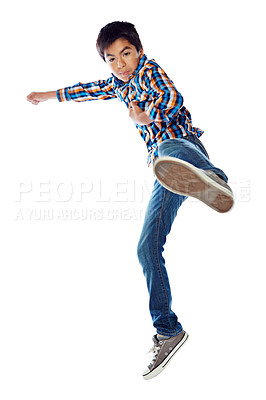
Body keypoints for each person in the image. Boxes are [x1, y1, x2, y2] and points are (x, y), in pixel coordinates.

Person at [27, 21, 234, 380]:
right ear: (107, 63)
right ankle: (168, 331)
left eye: (126, 54)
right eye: (112, 59)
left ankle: (214, 178)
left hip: (182, 148)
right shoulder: (117, 84)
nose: (121, 63)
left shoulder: (150, 71)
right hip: (166, 171)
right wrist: (46, 96)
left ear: (138, 51)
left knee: (167, 145)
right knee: (146, 247)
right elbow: (85, 90)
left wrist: (147, 114)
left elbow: (173, 99)